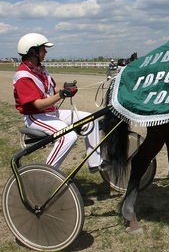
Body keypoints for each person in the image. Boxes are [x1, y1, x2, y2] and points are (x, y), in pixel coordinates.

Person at [13, 33, 104, 170]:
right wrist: (61, 95)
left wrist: (66, 87)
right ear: (33, 51)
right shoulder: (23, 76)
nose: (46, 51)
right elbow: (37, 105)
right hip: (36, 117)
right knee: (68, 136)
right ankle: (46, 173)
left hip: (51, 113)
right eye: (43, 49)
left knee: (90, 119)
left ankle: (95, 163)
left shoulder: (40, 70)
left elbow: (51, 89)